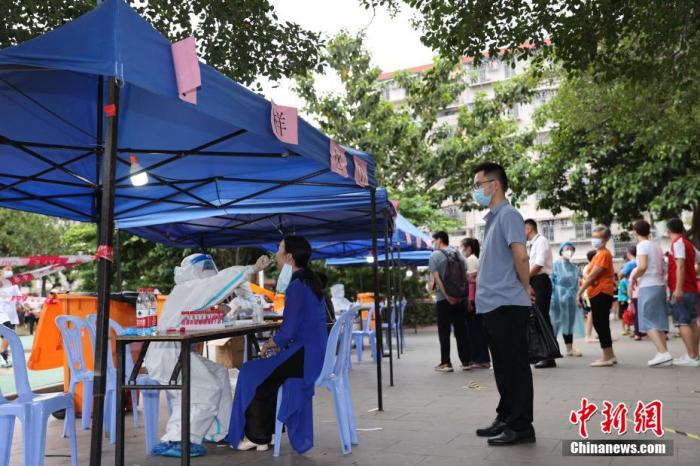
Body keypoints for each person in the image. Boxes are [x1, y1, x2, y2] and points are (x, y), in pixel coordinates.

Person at [146, 253, 271, 457]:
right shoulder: (188, 288)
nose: (209, 273)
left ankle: (217, 431)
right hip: (168, 354)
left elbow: (190, 319)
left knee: (219, 373)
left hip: (178, 351)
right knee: (205, 387)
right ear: (194, 271)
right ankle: (179, 439)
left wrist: (217, 311)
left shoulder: (189, 291)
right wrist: (249, 270)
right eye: (206, 269)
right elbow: (214, 284)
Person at [229, 236, 328, 453]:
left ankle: (257, 435)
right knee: (265, 373)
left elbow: (289, 330)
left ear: (289, 257)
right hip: (313, 352)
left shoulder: (297, 285)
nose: (276, 253)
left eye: (279, 249)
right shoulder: (310, 281)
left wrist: (271, 343)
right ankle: (267, 433)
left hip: (305, 356)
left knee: (250, 371)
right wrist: (276, 343)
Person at [472, 162, 535, 446]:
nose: (477, 191)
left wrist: (525, 286)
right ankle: (507, 416)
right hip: (493, 305)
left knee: (515, 367)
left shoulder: (509, 215)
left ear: (493, 184)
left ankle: (522, 427)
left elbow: (520, 256)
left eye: (478, 185)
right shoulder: (492, 219)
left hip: (508, 303)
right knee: (503, 367)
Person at [629, 219, 672, 367]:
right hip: (659, 285)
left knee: (647, 321)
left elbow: (642, 266)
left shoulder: (642, 245)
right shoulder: (657, 246)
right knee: (658, 321)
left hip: (648, 285)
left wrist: (633, 277)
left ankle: (662, 353)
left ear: (635, 232)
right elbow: (664, 267)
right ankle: (664, 353)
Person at [428, 230, 470, 372]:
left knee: (444, 331)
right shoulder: (458, 254)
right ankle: (466, 361)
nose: (433, 243)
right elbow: (465, 276)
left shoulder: (435, 255)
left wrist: (447, 296)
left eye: (433, 241)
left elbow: (437, 279)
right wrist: (463, 297)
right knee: (461, 330)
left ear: (439, 240)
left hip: (444, 299)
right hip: (460, 298)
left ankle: (446, 363)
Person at [576, 226, 617, 367]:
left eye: (597, 237)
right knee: (600, 324)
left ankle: (607, 357)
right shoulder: (598, 254)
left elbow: (592, 275)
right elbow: (590, 275)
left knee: (601, 324)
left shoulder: (604, 254)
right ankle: (610, 355)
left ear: (605, 239)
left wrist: (579, 292)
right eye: (593, 236)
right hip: (597, 292)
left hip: (601, 292)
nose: (594, 240)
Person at [666, 218, 699, 367]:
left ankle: (692, 356)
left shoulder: (677, 243)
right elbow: (697, 260)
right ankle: (694, 355)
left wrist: (678, 288)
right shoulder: (689, 244)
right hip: (691, 287)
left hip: (682, 289)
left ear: (669, 231)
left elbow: (680, 267)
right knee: (692, 321)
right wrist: (694, 274)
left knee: (682, 322)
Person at [524, 219, 556, 368]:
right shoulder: (533, 244)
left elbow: (538, 264)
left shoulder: (541, 241)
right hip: (535, 281)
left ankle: (549, 356)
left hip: (541, 281)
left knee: (542, 317)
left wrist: (525, 279)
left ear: (528, 228)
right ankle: (546, 354)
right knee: (539, 318)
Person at [460, 237, 490, 369]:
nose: (462, 250)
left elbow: (472, 282)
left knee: (475, 331)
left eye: (463, 247)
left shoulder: (471, 259)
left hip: (473, 299)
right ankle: (481, 359)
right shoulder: (475, 259)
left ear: (469, 248)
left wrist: (469, 301)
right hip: (478, 299)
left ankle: (481, 359)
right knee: (478, 330)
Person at [550, 242, 584, 357]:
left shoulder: (574, 268)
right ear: (561, 251)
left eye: (571, 249)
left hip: (570, 298)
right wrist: (552, 297)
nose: (569, 251)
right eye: (567, 249)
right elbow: (551, 281)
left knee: (569, 322)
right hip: (557, 296)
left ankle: (569, 348)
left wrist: (577, 297)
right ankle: (553, 348)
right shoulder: (555, 265)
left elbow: (576, 284)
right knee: (555, 322)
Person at [0, 267, 21, 368]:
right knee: (8, 334)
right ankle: (2, 356)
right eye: (6, 268)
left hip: (11, 314)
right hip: (1, 313)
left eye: (10, 268)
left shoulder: (14, 285)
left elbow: (20, 298)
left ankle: (4, 357)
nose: (9, 270)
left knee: (8, 337)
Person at [581, 250, 598, 343]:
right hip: (589, 293)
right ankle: (588, 335)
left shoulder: (592, 266)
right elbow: (588, 278)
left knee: (595, 314)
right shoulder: (588, 267)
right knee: (591, 313)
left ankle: (597, 335)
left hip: (593, 293)